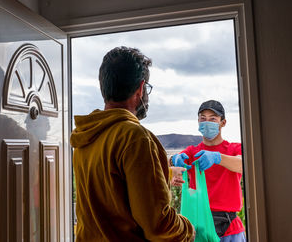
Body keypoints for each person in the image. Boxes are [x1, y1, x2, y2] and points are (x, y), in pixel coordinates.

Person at [71, 46, 195, 242]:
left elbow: (111, 189)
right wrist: (188, 229)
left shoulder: (86, 135)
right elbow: (158, 225)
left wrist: (167, 174)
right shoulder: (135, 138)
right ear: (140, 88)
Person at [169, 100, 246, 242]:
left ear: (223, 123)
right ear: (198, 121)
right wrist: (174, 161)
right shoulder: (192, 152)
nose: (206, 122)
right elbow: (173, 168)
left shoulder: (234, 149)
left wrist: (217, 157)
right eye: (202, 118)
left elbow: (245, 165)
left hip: (229, 229)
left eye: (213, 119)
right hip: (199, 226)